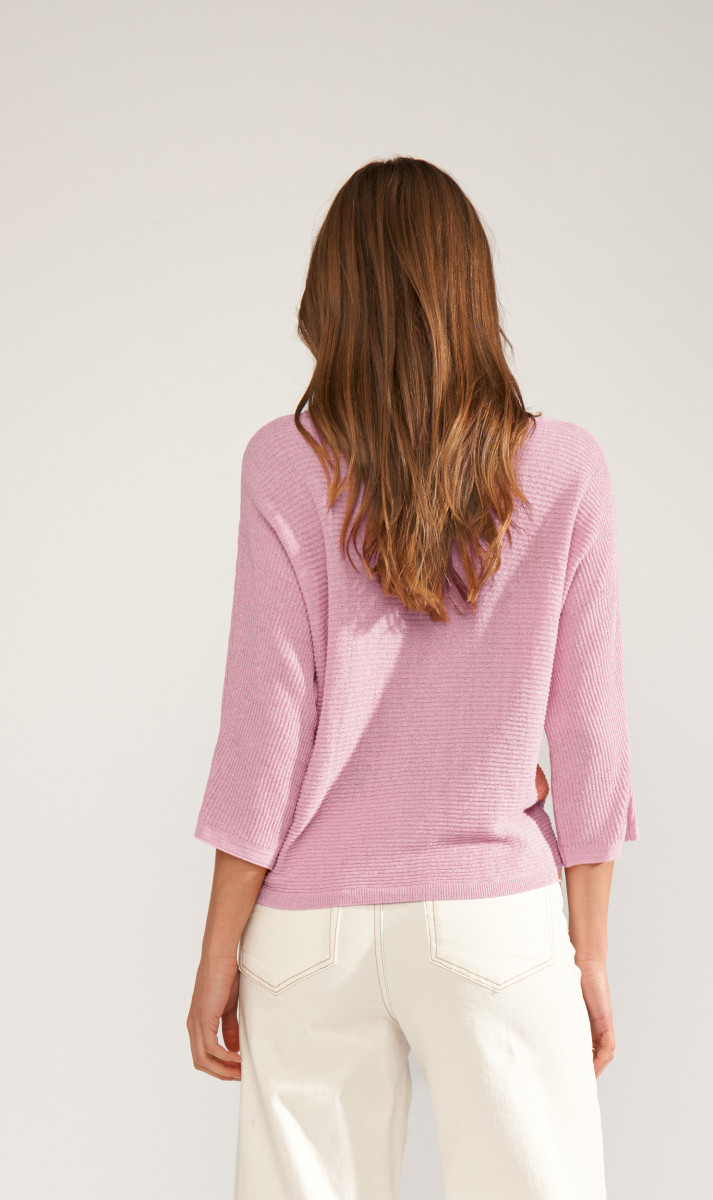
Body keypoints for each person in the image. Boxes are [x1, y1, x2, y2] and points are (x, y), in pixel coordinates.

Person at [187, 156, 638, 1199]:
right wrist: (589, 953)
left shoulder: (284, 463)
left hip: (310, 929)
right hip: (494, 917)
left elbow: (264, 734)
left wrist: (217, 954)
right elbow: (591, 739)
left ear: (330, 296)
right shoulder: (564, 467)